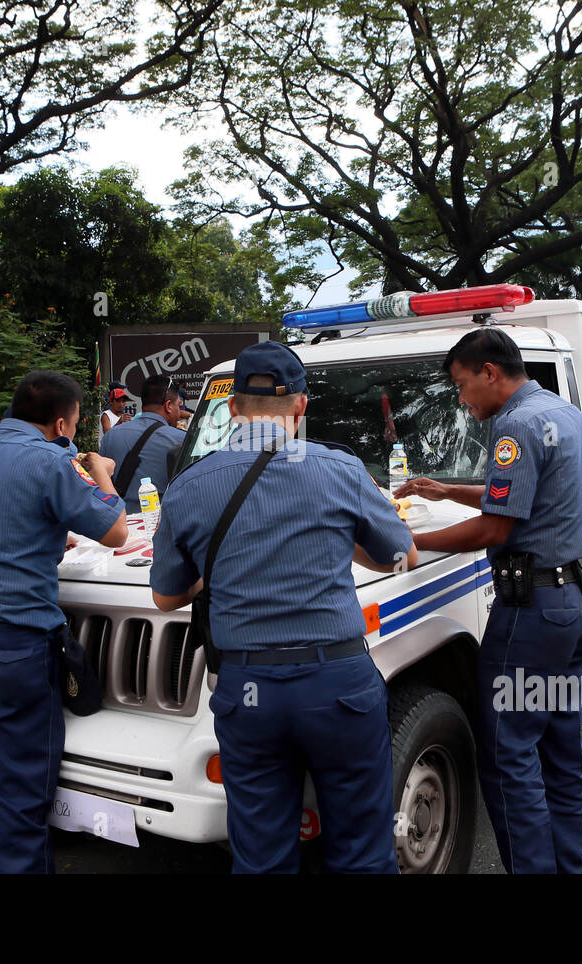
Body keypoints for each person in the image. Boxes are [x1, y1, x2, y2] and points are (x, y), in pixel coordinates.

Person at [150, 341, 417, 874]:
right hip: (338, 685)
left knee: (261, 855)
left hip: (248, 692)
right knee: (364, 848)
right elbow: (400, 555)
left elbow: (165, 596)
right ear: (300, 406)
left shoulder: (188, 486)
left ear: (232, 409)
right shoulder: (338, 468)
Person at [395, 327, 582, 874]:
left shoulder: (513, 425)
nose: (463, 399)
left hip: (530, 618)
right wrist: (446, 489)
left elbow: (496, 528)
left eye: (463, 386)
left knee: (509, 756)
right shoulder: (562, 413)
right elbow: (521, 493)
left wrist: (411, 541)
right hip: (572, 605)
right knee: (558, 750)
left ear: (489, 373)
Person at [0, 370, 128, 874]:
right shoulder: (53, 459)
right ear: (62, 422)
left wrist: (42, 532)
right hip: (17, 643)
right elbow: (115, 533)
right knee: (21, 784)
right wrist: (101, 470)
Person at [99, 373, 188, 511]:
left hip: (119, 525)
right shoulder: (182, 439)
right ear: (169, 405)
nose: (179, 411)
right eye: (178, 405)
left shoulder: (110, 437)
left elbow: (102, 487)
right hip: (160, 527)